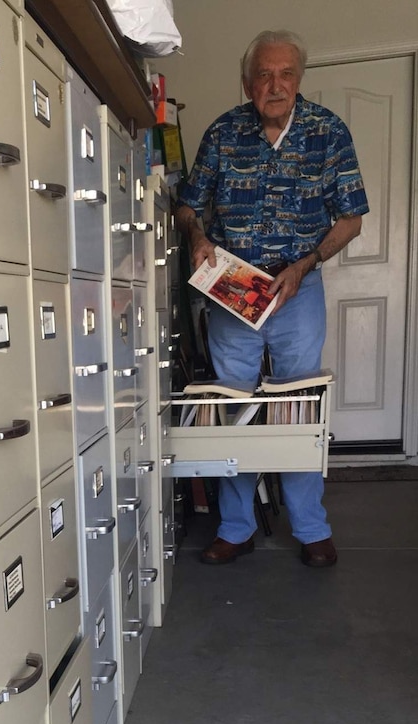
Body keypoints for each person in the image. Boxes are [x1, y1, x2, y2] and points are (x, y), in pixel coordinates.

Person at [177, 29, 369, 568]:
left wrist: (303, 265)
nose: (275, 84)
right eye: (264, 74)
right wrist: (198, 237)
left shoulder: (328, 133)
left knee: (297, 406)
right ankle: (236, 527)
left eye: (285, 73)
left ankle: (310, 527)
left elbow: (351, 218)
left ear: (299, 79)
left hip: (297, 289)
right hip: (232, 290)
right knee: (232, 408)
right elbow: (189, 206)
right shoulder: (222, 132)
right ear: (247, 82)